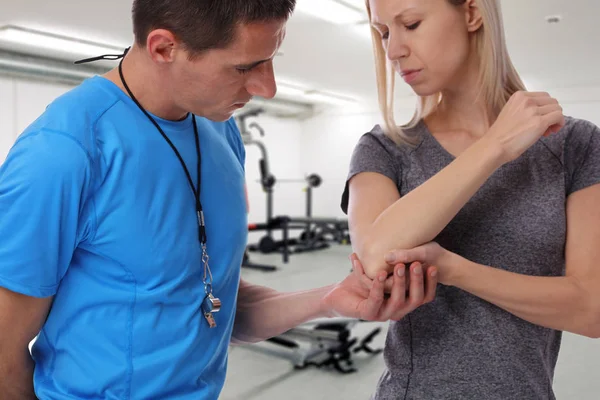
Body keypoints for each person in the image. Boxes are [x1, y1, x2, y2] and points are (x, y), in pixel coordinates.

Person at [0, 1, 438, 399]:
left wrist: (330, 299)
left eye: (270, 61)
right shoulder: (63, 152)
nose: (267, 87)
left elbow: (212, 302)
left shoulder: (218, 129)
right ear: (164, 47)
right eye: (244, 66)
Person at [343, 0, 600, 399]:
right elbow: (377, 257)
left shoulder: (575, 145)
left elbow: (592, 309)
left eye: (410, 24)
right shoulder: (385, 148)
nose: (393, 50)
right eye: (384, 33)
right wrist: (495, 145)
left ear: (472, 12)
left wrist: (453, 269)